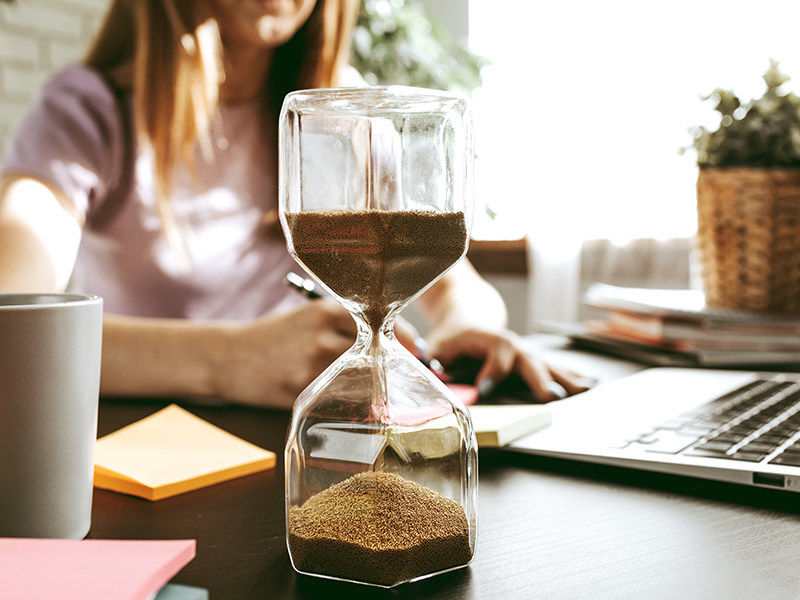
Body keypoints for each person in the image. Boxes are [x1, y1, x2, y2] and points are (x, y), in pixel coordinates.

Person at [0, 0, 589, 409]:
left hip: (316, 442)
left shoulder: (348, 113)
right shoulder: (89, 112)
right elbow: (15, 328)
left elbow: (456, 285)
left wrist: (468, 328)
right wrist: (232, 359)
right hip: (151, 457)